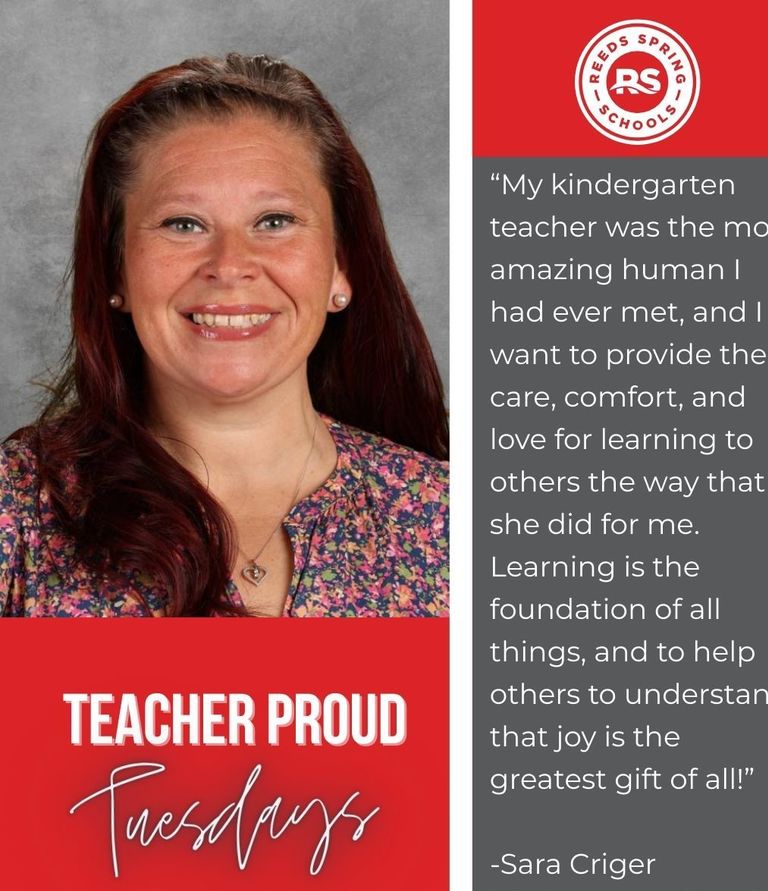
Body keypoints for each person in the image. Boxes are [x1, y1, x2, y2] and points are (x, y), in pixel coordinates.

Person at [0, 54, 448, 618]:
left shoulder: (453, 521)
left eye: (275, 221)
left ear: (341, 266)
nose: (231, 264)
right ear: (116, 272)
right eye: (182, 224)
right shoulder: (16, 507)